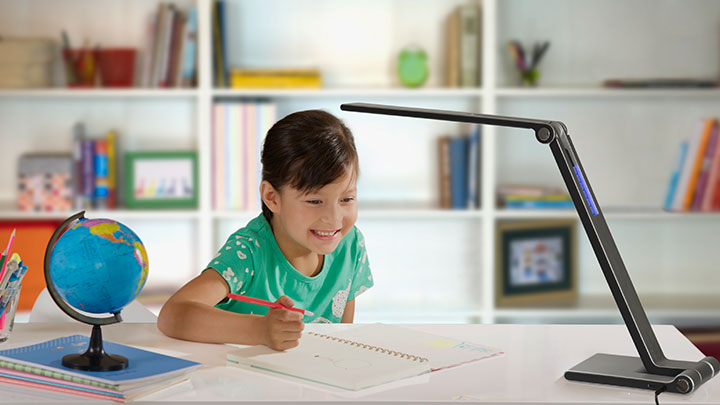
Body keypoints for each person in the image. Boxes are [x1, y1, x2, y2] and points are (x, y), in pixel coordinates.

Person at [158, 110, 374, 350]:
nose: (334, 219)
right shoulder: (249, 252)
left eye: (347, 199)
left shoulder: (350, 244)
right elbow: (173, 315)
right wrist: (260, 330)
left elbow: (340, 341)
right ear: (272, 198)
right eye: (314, 201)